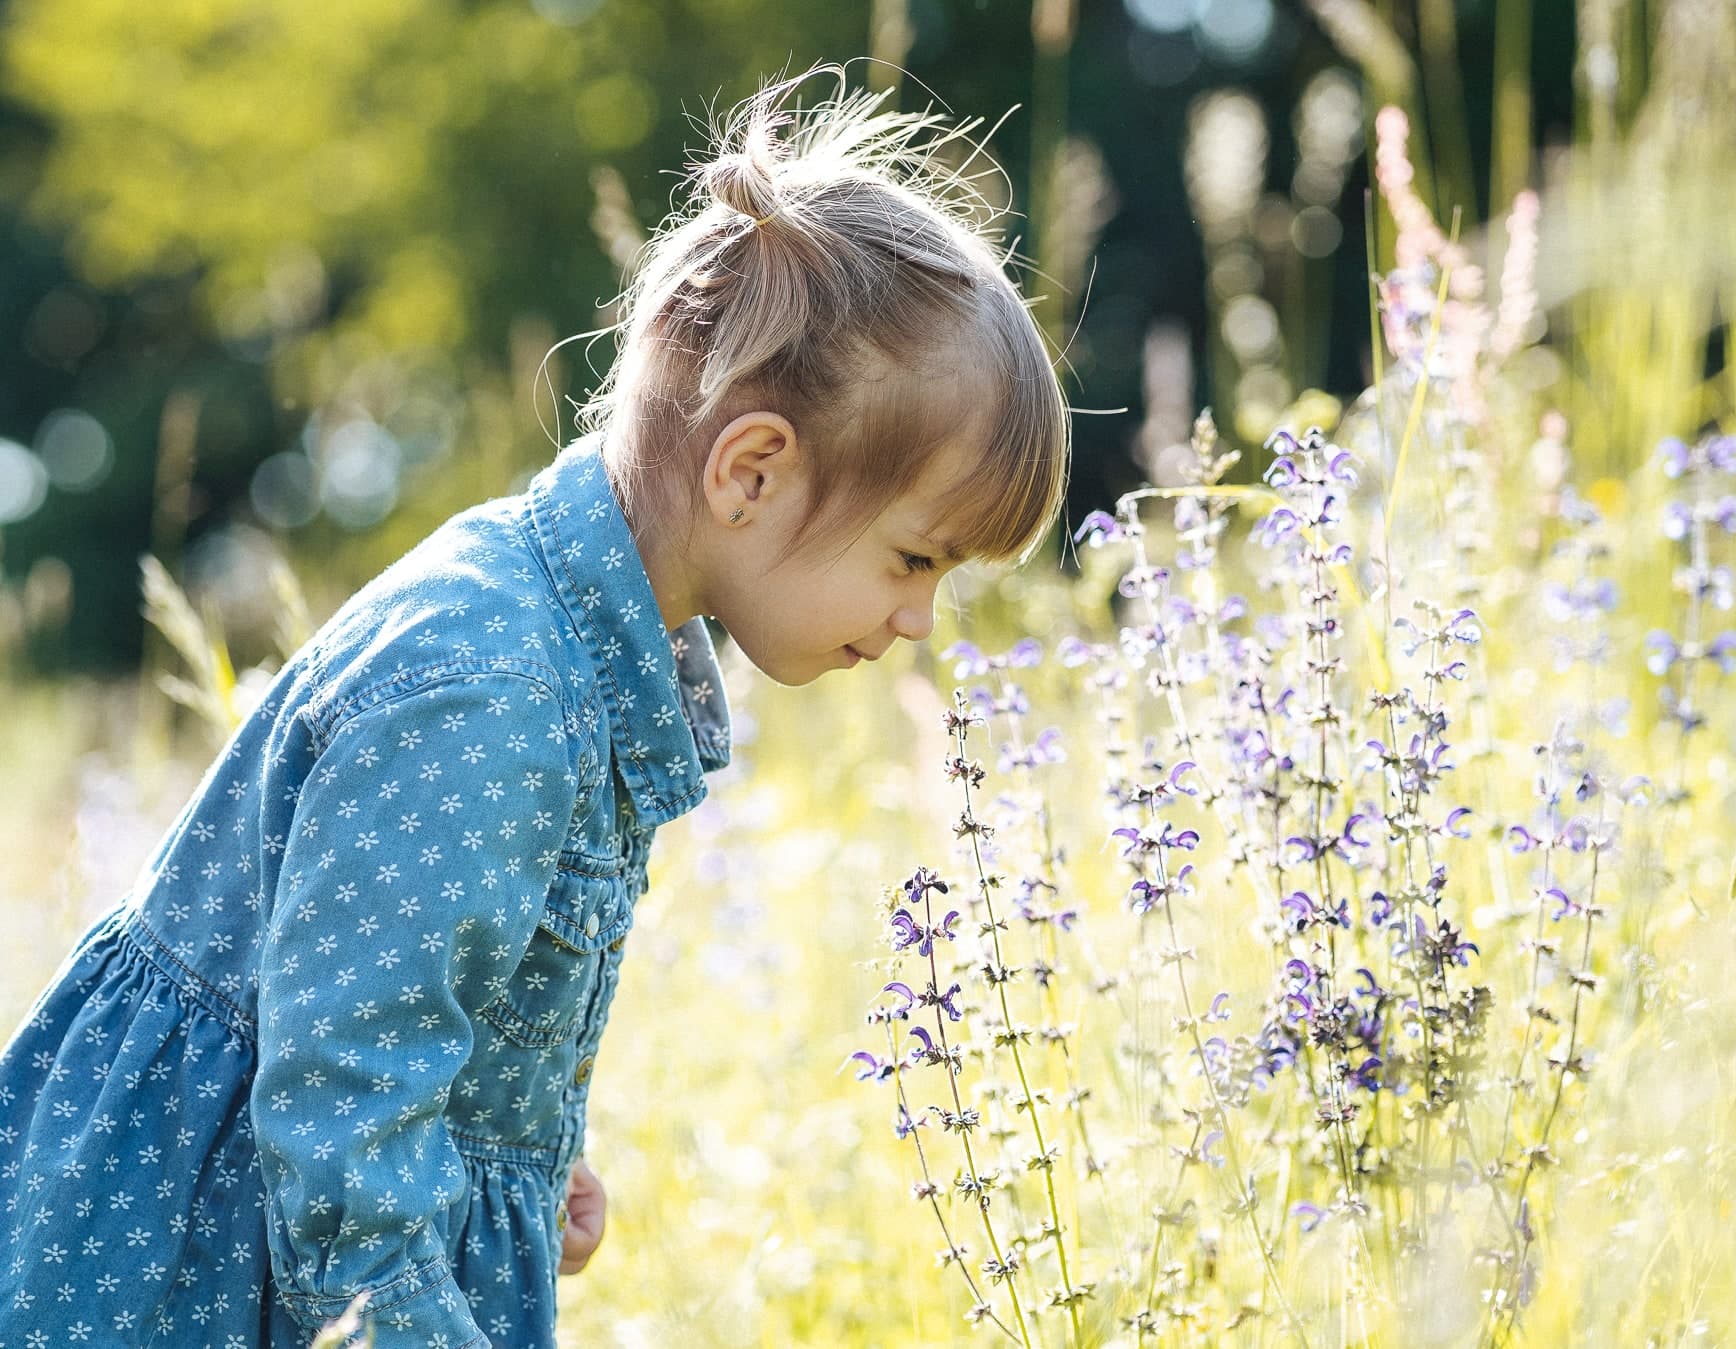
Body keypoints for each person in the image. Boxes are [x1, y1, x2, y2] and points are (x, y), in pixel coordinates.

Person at [0, 60, 1067, 1348]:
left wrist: (514, 1147)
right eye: (916, 559)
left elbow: (405, 1003)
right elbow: (338, 1125)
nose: (916, 623)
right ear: (754, 469)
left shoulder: (577, 646)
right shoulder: (488, 687)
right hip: (185, 1283)